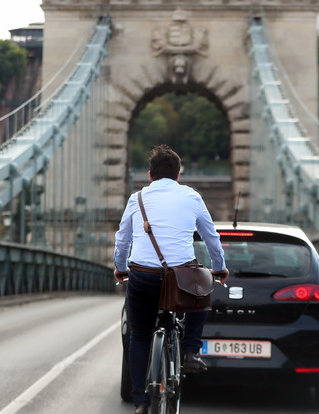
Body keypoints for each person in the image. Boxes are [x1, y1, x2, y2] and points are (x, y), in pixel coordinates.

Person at [113, 145, 229, 414]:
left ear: (150, 175)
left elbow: (122, 240)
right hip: (181, 277)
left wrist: (120, 268)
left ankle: (140, 401)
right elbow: (211, 238)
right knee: (202, 291)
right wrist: (220, 267)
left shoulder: (137, 198)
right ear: (179, 175)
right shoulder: (192, 197)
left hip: (142, 275)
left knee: (140, 336)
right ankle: (190, 351)